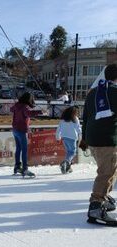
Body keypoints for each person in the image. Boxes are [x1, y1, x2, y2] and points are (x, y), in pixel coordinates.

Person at [81, 63, 117, 226]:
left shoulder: (93, 92)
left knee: (110, 169)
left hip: (93, 139)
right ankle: (96, 205)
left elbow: (86, 117)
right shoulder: (115, 92)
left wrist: (84, 139)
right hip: (107, 139)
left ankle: (104, 197)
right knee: (106, 172)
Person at [10, 92, 42, 178]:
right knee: (24, 150)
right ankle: (25, 168)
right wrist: (40, 111)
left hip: (15, 130)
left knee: (18, 148)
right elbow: (28, 113)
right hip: (21, 130)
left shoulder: (17, 105)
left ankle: (17, 166)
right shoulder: (24, 107)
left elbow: (11, 109)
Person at [56, 106, 81, 174]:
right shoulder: (75, 119)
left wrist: (58, 137)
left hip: (64, 138)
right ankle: (66, 162)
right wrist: (82, 135)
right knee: (73, 152)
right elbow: (78, 129)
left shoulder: (63, 120)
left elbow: (58, 129)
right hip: (72, 138)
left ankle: (68, 167)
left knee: (68, 152)